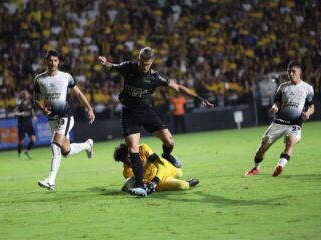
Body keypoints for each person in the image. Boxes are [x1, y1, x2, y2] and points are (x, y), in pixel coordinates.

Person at [98, 47, 214, 197]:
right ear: (138, 59)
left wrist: (199, 99)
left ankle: (167, 155)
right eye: (142, 63)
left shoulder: (156, 77)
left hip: (146, 112)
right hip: (129, 113)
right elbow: (112, 68)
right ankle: (140, 186)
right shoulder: (128, 67)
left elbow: (177, 87)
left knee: (169, 141)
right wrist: (105, 63)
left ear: (151, 62)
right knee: (133, 147)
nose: (144, 66)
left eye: (147, 64)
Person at [34, 50, 95, 191]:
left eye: (55, 60)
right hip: (52, 119)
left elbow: (78, 93)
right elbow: (36, 99)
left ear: (58, 62)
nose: (53, 63)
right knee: (66, 152)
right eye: (50, 60)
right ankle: (87, 145)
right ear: (46, 61)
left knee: (55, 146)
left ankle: (51, 181)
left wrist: (89, 109)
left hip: (65, 116)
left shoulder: (66, 77)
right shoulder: (39, 79)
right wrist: (42, 108)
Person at [245, 61, 315, 177]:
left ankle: (280, 166)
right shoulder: (282, 87)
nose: (291, 74)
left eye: (293, 72)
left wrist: (308, 113)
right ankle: (256, 168)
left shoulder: (308, 88)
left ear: (300, 72)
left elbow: (312, 107)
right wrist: (274, 107)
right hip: (280, 122)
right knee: (263, 146)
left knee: (290, 143)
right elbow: (277, 103)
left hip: (295, 123)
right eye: (289, 72)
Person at [113, 143, 199, 193]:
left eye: (130, 156)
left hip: (165, 166)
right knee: (182, 186)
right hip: (161, 181)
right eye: (127, 159)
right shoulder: (127, 172)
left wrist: (154, 181)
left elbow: (160, 166)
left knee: (180, 173)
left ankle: (168, 156)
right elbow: (143, 184)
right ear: (123, 161)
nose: (131, 159)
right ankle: (188, 182)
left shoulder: (142, 148)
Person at [14, 90, 37, 160]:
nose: (28, 95)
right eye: (26, 94)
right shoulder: (19, 104)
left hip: (29, 124)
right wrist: (21, 114)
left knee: (33, 139)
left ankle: (27, 151)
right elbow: (15, 112)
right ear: (23, 96)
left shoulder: (29, 103)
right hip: (22, 124)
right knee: (21, 141)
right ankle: (19, 154)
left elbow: (32, 110)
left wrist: (34, 116)